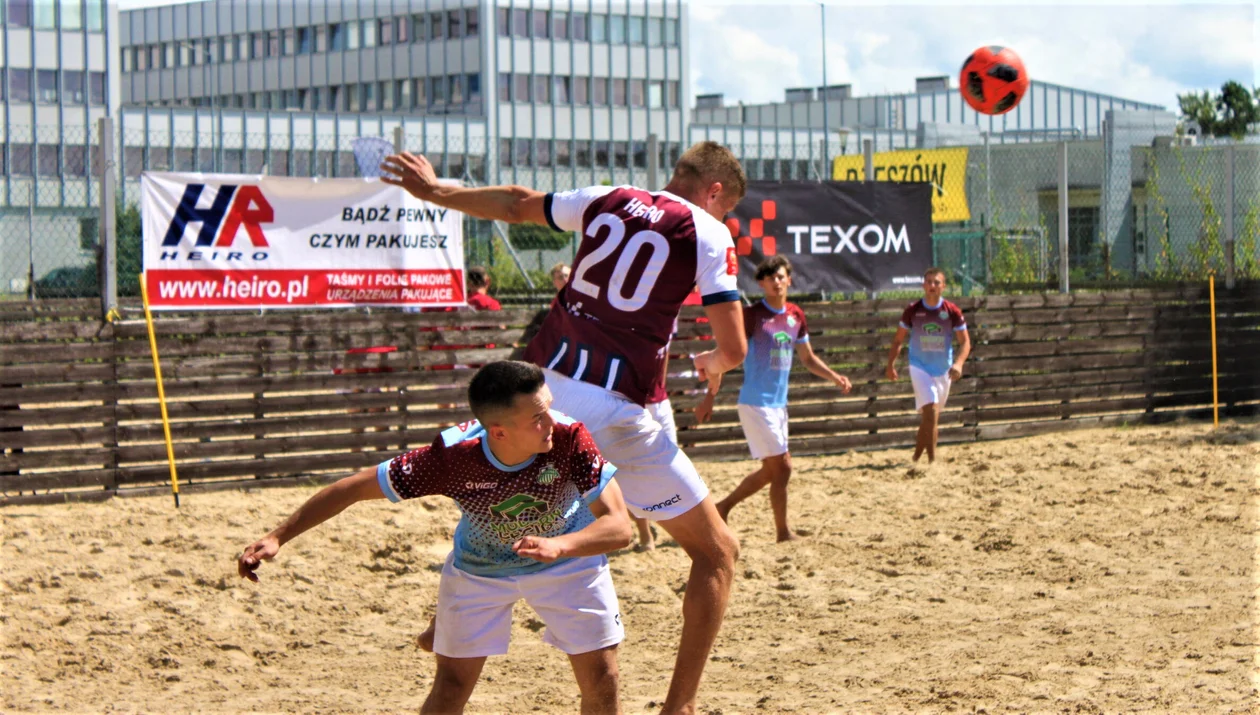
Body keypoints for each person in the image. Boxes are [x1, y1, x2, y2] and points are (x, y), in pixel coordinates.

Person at [381, 140, 748, 714]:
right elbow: (734, 345)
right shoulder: (709, 230)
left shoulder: (608, 197)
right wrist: (717, 364)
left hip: (538, 394)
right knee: (717, 551)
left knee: (516, 496)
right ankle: (680, 708)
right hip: (615, 407)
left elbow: (515, 203)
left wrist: (436, 192)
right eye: (723, 208)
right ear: (716, 191)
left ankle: (447, 619)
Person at [237, 361, 632, 714]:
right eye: (538, 417)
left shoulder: (568, 438)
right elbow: (354, 487)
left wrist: (559, 544)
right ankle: (443, 625)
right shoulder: (451, 458)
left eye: (549, 406)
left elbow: (620, 527)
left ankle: (442, 626)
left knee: (603, 679)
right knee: (452, 687)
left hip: (567, 561)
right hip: (481, 570)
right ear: (499, 431)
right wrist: (278, 536)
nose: (553, 421)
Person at [695, 256, 852, 542]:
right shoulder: (753, 315)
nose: (776, 282)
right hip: (756, 402)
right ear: (761, 284)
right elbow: (724, 356)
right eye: (770, 278)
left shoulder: (795, 315)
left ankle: (723, 506)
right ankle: (782, 532)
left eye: (781, 277)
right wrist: (710, 397)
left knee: (772, 470)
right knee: (784, 467)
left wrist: (834, 376)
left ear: (789, 280)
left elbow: (808, 358)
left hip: (779, 405)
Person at [885, 267, 971, 464]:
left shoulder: (952, 311)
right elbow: (898, 340)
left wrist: (958, 364)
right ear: (923, 285)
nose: (932, 286)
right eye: (929, 282)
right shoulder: (913, 310)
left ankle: (915, 457)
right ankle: (932, 462)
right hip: (919, 366)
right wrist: (891, 364)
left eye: (936, 282)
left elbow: (965, 342)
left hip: (943, 370)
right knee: (931, 411)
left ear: (944, 286)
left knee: (930, 418)